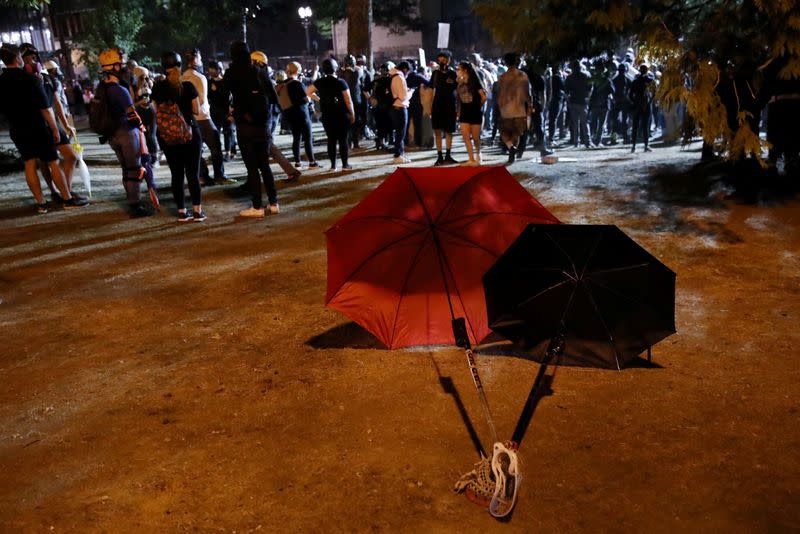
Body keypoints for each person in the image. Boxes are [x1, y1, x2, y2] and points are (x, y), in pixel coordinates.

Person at [0, 45, 88, 213]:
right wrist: (55, 129)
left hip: (17, 129)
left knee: (30, 163)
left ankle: (41, 204)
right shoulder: (31, 79)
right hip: (38, 127)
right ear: (17, 58)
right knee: (53, 162)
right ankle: (67, 199)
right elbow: (46, 108)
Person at [224, 41, 279, 217]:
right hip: (263, 125)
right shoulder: (259, 72)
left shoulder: (232, 73)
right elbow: (273, 96)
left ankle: (257, 206)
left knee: (252, 168)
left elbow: (223, 95)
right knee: (265, 166)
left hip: (245, 124)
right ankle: (274, 203)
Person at [152, 51, 206, 221]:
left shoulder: (158, 88)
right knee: (192, 174)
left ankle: (182, 212)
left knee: (176, 174)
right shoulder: (188, 86)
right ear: (179, 65)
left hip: (168, 137)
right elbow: (197, 110)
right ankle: (197, 211)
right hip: (189, 134)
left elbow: (155, 110)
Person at [181, 48, 229, 185]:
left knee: (197, 149)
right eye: (200, 58)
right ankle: (219, 175)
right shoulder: (200, 77)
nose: (201, 61)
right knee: (215, 147)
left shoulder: (182, 77)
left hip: (190, 119)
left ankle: (203, 176)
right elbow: (201, 100)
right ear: (195, 59)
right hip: (203, 117)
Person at [306, 58, 356, 171]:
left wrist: (319, 100)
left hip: (327, 115)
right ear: (335, 68)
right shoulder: (341, 82)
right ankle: (345, 165)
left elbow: (308, 92)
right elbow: (348, 100)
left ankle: (333, 166)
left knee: (331, 140)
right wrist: (352, 114)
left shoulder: (320, 82)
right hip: (341, 114)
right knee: (343, 140)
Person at [496, 52, 532, 165]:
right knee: (517, 133)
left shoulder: (502, 77)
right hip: (519, 109)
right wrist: (530, 106)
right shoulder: (523, 75)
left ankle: (511, 147)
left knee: (504, 133)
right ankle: (513, 149)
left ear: (505, 63)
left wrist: (500, 106)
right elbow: (528, 93)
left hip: (506, 110)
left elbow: (500, 94)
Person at [283, 61, 318, 168]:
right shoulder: (298, 84)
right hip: (302, 114)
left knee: (296, 138)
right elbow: (306, 98)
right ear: (298, 71)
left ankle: (297, 162)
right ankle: (312, 162)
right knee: (307, 138)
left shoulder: (284, 84)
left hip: (290, 114)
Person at [428, 50, 459, 165]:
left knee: (449, 131)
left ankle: (448, 155)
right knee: (437, 131)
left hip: (450, 104)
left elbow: (457, 90)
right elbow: (431, 90)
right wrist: (429, 107)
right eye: (440, 59)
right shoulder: (435, 73)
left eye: (444, 59)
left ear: (449, 60)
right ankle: (439, 156)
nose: (442, 61)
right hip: (437, 104)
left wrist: (458, 107)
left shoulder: (453, 73)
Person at [456, 61, 487, 166]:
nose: (457, 71)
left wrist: (478, 106)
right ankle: (471, 159)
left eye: (459, 69)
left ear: (465, 70)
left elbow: (484, 97)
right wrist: (459, 111)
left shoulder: (475, 82)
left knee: (475, 137)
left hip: (474, 111)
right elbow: (459, 98)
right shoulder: (460, 82)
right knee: (465, 136)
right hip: (464, 111)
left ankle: (478, 154)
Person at [206, 60, 237, 161]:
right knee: (215, 133)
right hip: (214, 111)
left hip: (225, 110)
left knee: (228, 132)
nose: (211, 71)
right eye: (210, 69)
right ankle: (217, 153)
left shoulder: (224, 81)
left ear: (218, 70)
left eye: (213, 69)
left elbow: (227, 97)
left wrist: (217, 90)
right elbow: (208, 97)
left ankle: (228, 152)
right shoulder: (209, 82)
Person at [564, 59, 592, 148]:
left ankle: (576, 141)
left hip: (574, 102)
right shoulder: (586, 75)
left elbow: (566, 91)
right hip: (583, 102)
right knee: (584, 123)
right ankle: (587, 141)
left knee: (575, 123)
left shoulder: (569, 77)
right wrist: (588, 98)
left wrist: (568, 101)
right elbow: (590, 88)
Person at [390, 61, 413, 164]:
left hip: (395, 107)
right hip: (400, 107)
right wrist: (411, 92)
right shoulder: (399, 78)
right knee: (401, 133)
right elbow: (403, 97)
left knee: (399, 132)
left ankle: (400, 154)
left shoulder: (393, 76)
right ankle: (398, 155)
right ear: (405, 69)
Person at [629, 63, 655, 153]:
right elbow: (654, 93)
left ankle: (634, 146)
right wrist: (649, 102)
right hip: (646, 105)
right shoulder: (650, 81)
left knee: (636, 126)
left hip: (638, 105)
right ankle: (645, 145)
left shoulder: (636, 81)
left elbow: (630, 95)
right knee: (645, 126)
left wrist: (636, 102)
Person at [339, 55, 364, 149]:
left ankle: (348, 143)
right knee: (356, 122)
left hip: (345, 101)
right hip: (356, 100)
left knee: (347, 123)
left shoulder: (341, 73)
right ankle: (356, 143)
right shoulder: (357, 72)